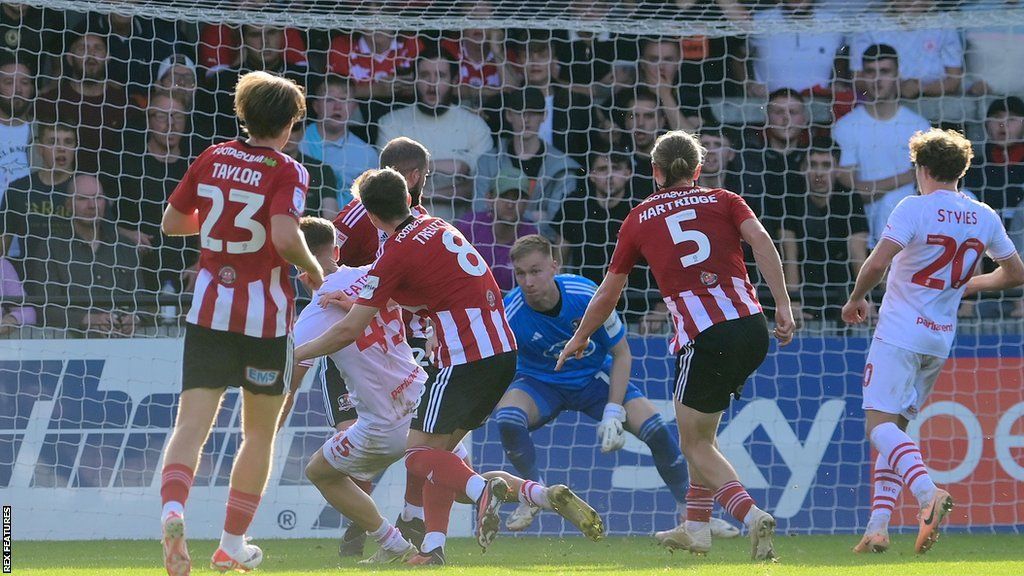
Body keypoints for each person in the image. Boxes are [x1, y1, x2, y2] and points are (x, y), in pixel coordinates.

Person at [295, 168, 602, 565]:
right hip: (501, 350)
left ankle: (477, 493)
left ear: (369, 216)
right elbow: (427, 287)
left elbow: (349, 330)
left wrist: (295, 352)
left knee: (418, 455)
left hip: (465, 357)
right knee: (439, 460)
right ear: (408, 200)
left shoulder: (389, 259)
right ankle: (457, 536)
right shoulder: (436, 226)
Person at [557, 130, 796, 560]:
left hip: (705, 337)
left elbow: (609, 291)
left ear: (655, 171)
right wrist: (782, 303)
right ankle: (697, 528)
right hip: (751, 326)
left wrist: (580, 336)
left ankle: (751, 515)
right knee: (703, 435)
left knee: (694, 443)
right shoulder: (725, 199)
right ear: (699, 169)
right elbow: (762, 242)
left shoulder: (639, 217)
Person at [157, 71, 324, 576]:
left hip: (208, 309)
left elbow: (172, 223)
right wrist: (313, 269)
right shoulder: (288, 171)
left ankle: (172, 510)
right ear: (292, 123)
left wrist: (216, 225)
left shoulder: (211, 157)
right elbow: (282, 234)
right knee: (258, 435)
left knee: (191, 426)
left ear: (242, 115)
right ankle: (232, 544)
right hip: (264, 320)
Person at [842, 128, 1024, 555]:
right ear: (962, 170)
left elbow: (878, 260)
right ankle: (878, 527)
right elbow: (1016, 273)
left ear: (921, 169)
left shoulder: (913, 208)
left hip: (900, 333)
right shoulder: (984, 215)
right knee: (897, 431)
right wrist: (963, 286)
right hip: (939, 341)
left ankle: (928, 494)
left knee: (879, 428)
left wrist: (855, 298)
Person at [498, 234, 741, 542]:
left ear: (553, 266)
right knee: (506, 419)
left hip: (592, 379)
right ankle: (533, 494)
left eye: (535, 271)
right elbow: (499, 364)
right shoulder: (510, 312)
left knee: (657, 429)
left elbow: (621, 353)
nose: (528, 281)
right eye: (521, 273)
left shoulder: (586, 295)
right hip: (540, 382)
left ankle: (693, 516)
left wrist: (613, 410)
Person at [287, 216, 424, 564]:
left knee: (319, 471)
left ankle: (393, 545)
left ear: (296, 263)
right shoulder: (374, 273)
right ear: (336, 249)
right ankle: (539, 494)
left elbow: (291, 376)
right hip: (423, 400)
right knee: (466, 483)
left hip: (383, 423)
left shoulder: (314, 314)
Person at [376, 50, 494, 220]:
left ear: (454, 81)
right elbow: (393, 180)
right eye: (425, 75)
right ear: (415, 79)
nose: (432, 83)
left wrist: (419, 178)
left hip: (461, 233)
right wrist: (456, 166)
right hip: (407, 230)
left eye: (441, 75)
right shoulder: (391, 123)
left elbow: (478, 186)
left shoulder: (475, 126)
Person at [833, 44, 931, 248]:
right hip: (862, 233)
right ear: (862, 76)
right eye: (871, 72)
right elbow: (853, 193)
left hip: (913, 231)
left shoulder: (919, 126)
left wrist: (882, 189)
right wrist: (907, 176)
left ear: (897, 75)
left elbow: (927, 189)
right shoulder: (845, 127)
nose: (877, 80)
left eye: (885, 72)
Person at [33, 174, 141, 336]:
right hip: (68, 347)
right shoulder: (50, 248)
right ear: (68, 205)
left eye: (98, 198)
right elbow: (44, 309)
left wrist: (136, 317)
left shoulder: (126, 247)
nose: (92, 205)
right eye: (82, 199)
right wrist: (86, 319)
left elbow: (142, 298)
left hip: (122, 345)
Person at [473, 87, 581, 239]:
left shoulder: (562, 167)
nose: (526, 119)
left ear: (544, 115)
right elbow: (480, 213)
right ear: (509, 115)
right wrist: (535, 215)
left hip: (542, 251)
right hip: (494, 247)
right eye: (520, 112)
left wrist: (505, 212)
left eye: (534, 112)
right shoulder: (488, 161)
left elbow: (557, 226)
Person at [299, 75, 377, 208]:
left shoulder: (367, 154)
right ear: (316, 106)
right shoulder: (297, 140)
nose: (337, 107)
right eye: (329, 100)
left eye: (344, 100)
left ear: (354, 107)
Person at [456, 173, 540, 292]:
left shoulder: (531, 238)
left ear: (526, 203)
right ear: (489, 198)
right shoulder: (469, 226)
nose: (510, 205)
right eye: (504, 196)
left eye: (517, 198)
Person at [0, 50, 33, 203]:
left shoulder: (41, 132)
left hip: (28, 219)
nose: (18, 90)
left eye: (24, 83)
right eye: (9, 82)